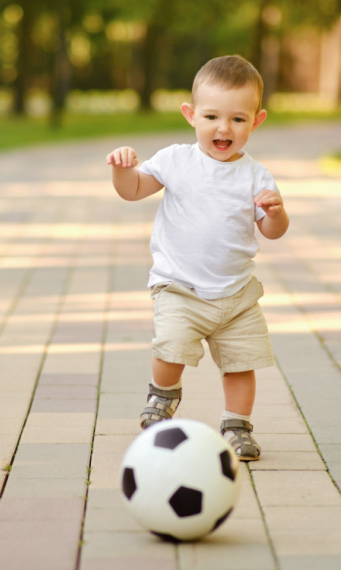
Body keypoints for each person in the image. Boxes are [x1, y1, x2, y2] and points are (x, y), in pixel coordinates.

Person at [106, 55, 289, 461]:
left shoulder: (256, 176)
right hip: (180, 287)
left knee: (242, 364)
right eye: (211, 116)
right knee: (170, 349)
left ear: (256, 121)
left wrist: (277, 213)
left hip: (236, 295)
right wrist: (122, 170)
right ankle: (163, 396)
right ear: (191, 115)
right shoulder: (176, 160)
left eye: (238, 120)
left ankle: (237, 425)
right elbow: (134, 189)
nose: (223, 129)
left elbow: (271, 232)